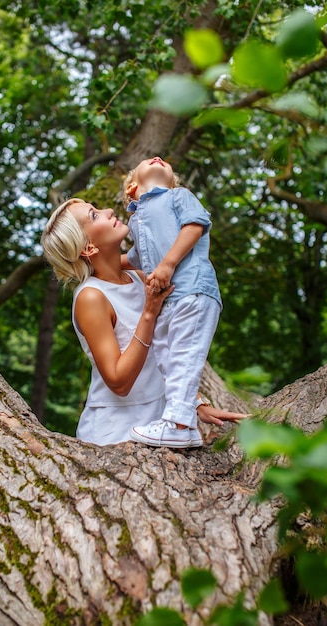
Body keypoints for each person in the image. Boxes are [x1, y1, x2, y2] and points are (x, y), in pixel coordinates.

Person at [41, 197, 246, 447]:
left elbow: (165, 351)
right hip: (115, 434)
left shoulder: (140, 277)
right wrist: (149, 312)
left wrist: (196, 403)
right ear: (88, 248)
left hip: (161, 422)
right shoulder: (91, 297)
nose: (108, 210)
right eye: (94, 215)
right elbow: (119, 381)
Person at [122, 156, 222, 448]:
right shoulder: (135, 220)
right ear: (131, 188)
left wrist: (167, 265)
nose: (158, 158)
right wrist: (91, 264)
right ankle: (186, 426)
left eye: (166, 163)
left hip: (192, 289)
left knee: (184, 356)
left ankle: (177, 424)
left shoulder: (178, 196)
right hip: (169, 303)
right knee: (167, 360)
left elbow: (195, 226)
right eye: (147, 160)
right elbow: (132, 259)